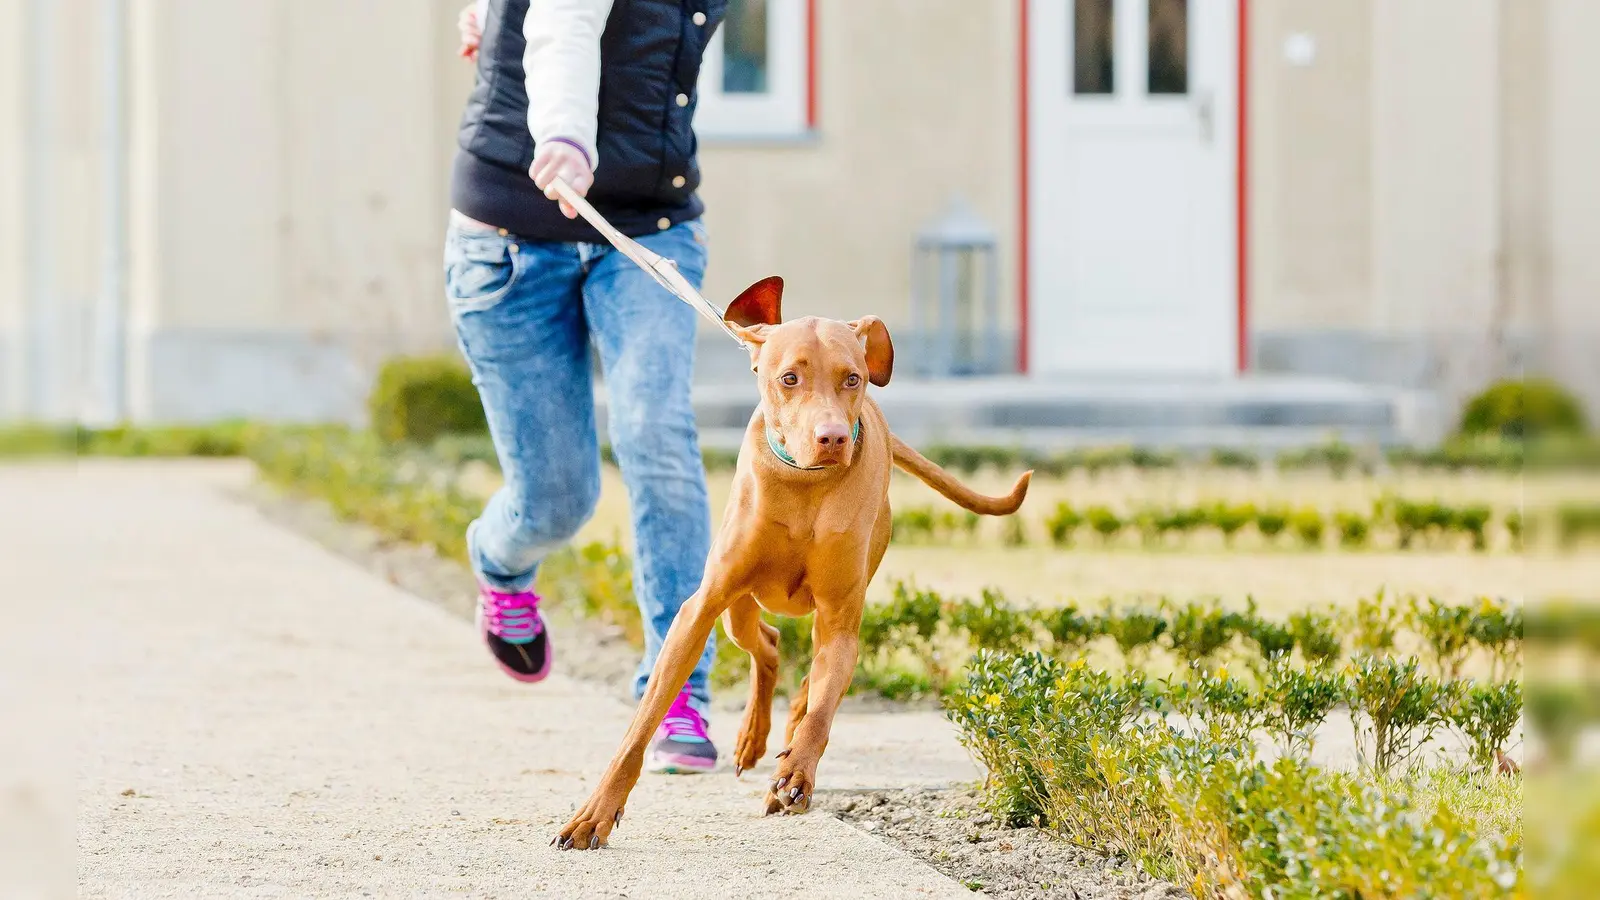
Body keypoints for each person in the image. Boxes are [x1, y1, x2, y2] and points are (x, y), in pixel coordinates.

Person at [446, 0, 723, 774]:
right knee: (556, 500)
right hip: (508, 239)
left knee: (654, 430)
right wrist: (564, 134)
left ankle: (676, 690)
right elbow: (563, 20)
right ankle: (500, 562)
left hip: (646, 232)